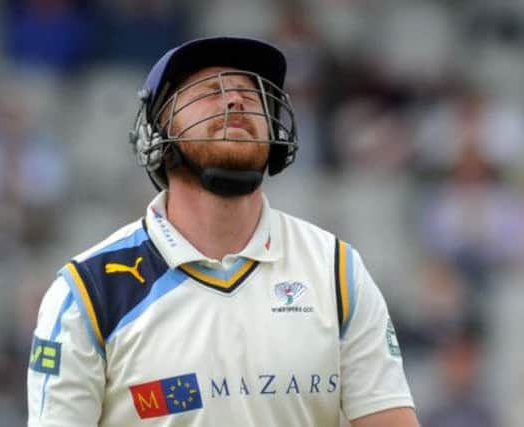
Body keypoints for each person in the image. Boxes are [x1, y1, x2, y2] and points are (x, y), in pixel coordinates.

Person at [27, 36, 419, 426]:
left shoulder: (337, 271)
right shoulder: (89, 291)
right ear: (156, 133)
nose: (236, 100)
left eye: (251, 92)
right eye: (208, 91)